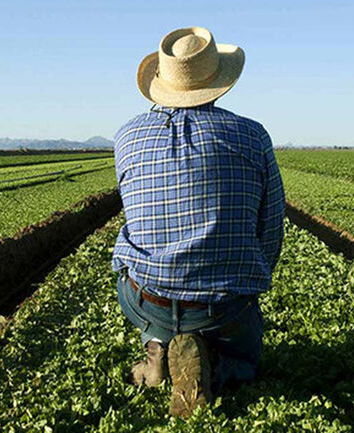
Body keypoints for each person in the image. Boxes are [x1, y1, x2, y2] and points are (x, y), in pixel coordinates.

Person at [112, 26, 285, 417]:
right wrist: (250, 286)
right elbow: (271, 229)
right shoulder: (252, 136)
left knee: (128, 274)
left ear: (162, 81)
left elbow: (136, 218)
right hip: (224, 306)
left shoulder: (127, 137)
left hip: (147, 297)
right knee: (249, 361)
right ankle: (219, 365)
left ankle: (158, 342)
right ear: (219, 81)